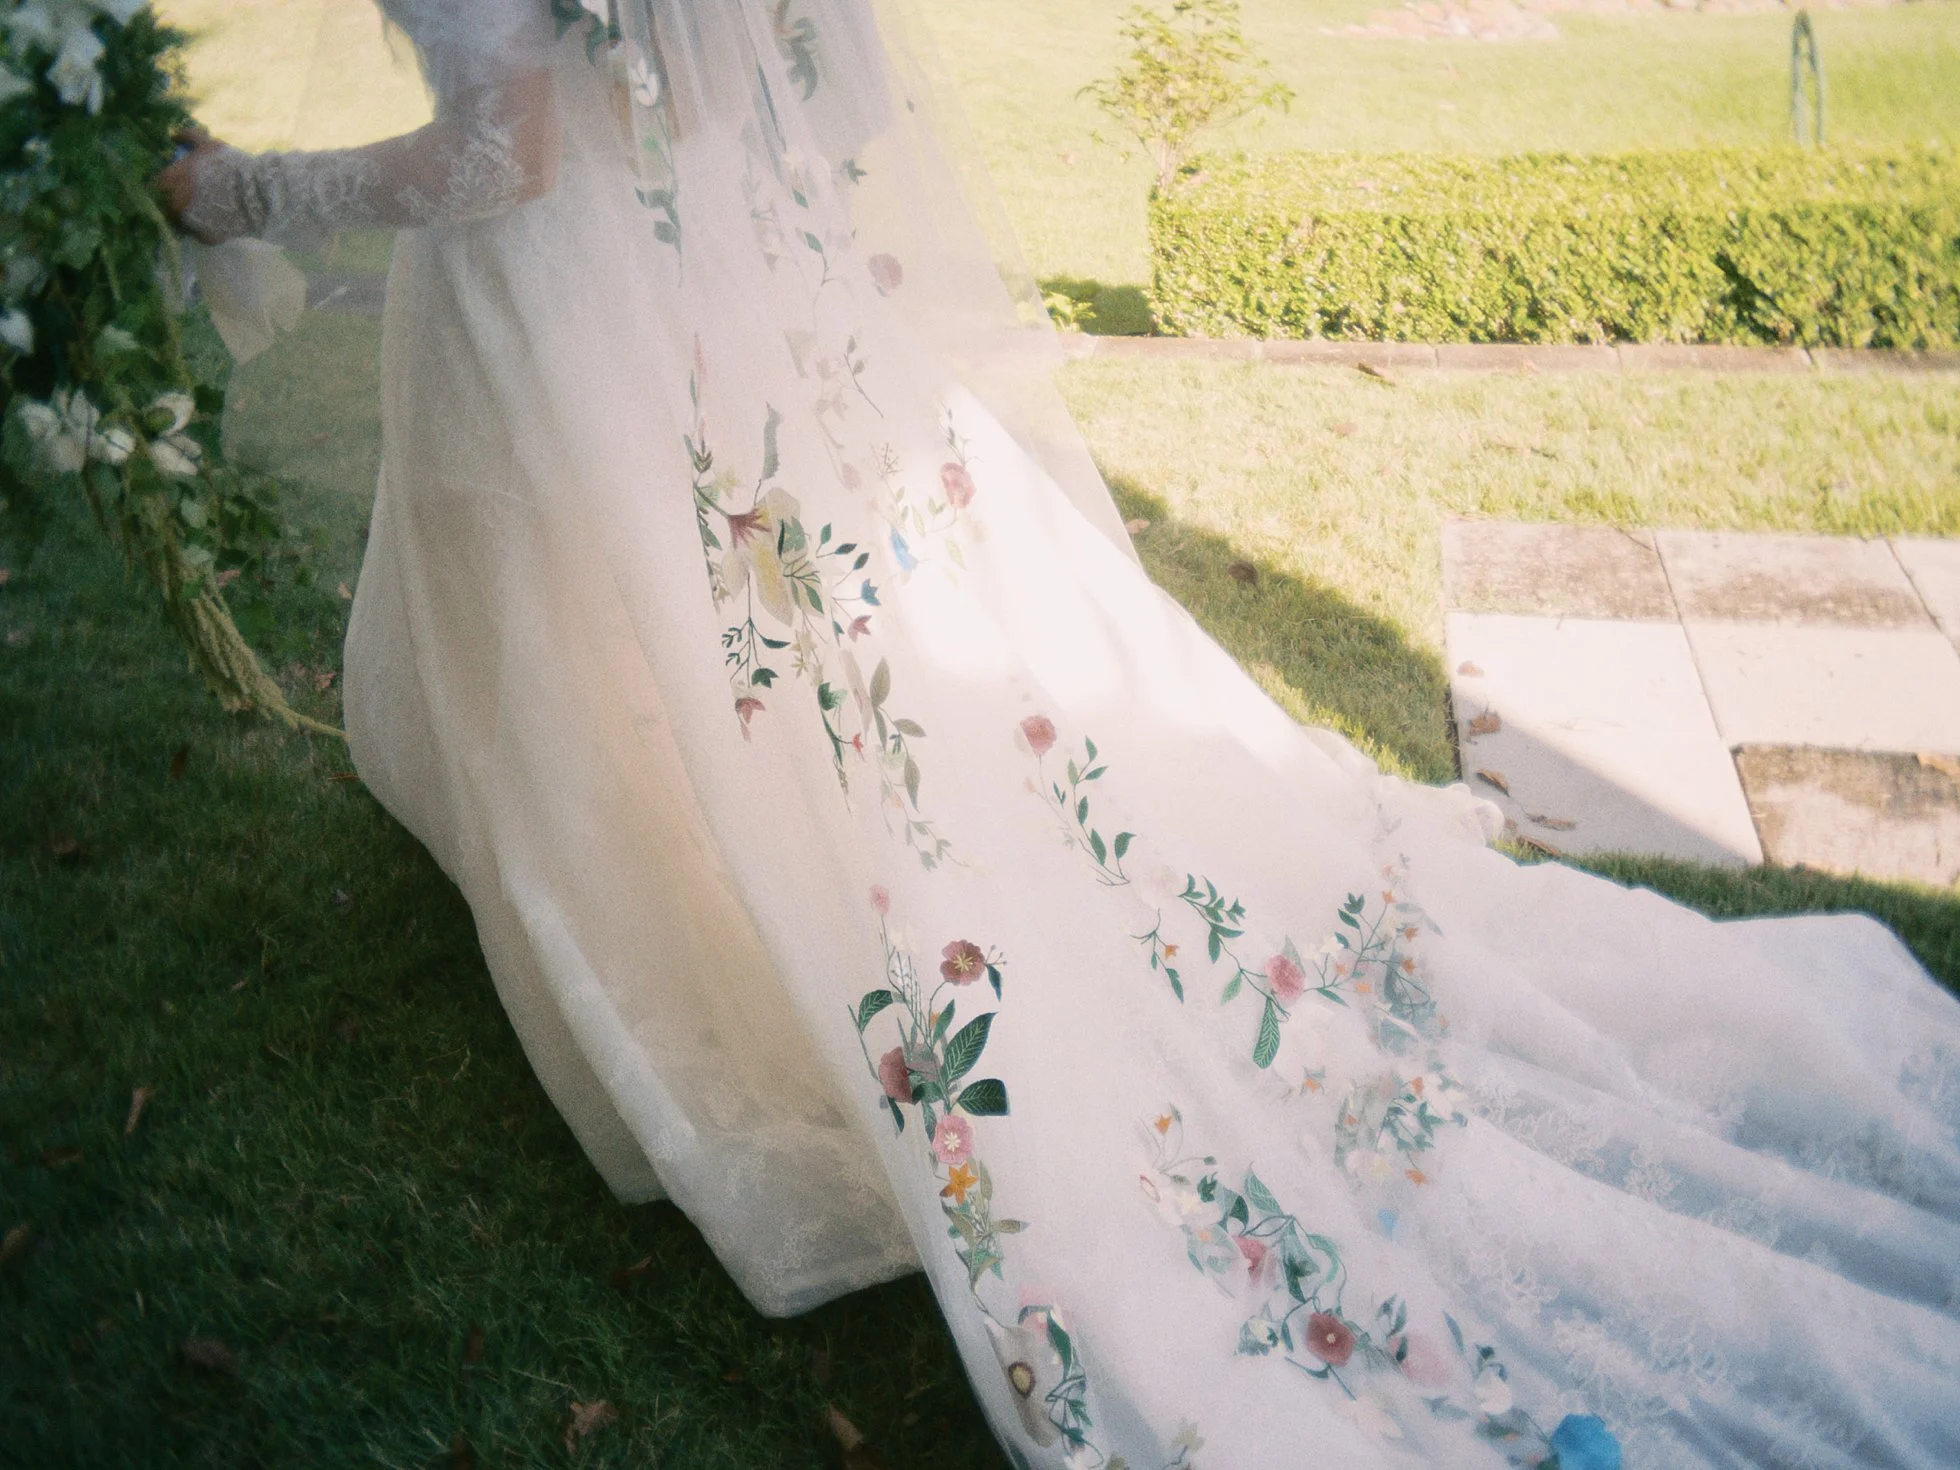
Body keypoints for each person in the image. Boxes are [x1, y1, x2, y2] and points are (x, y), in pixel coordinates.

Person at [159, 2, 1960, 1464]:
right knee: (733, 660)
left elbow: (508, 147)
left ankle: (691, 943)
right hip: (716, 287)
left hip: (579, 316)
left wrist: (239, 198)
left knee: (682, 673)